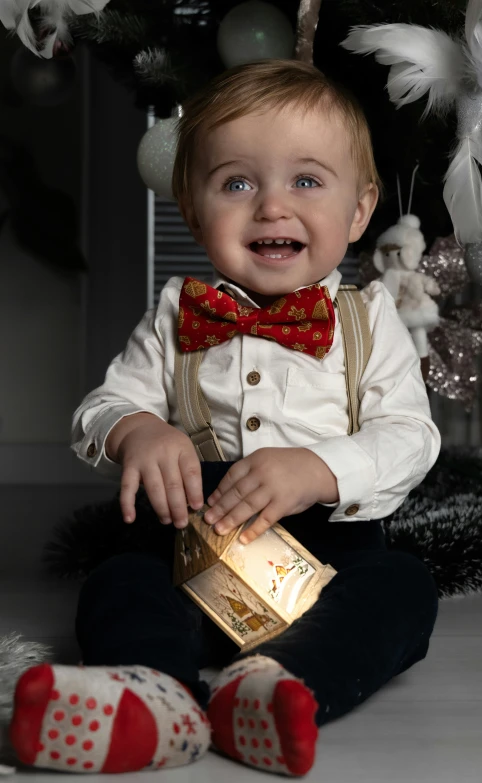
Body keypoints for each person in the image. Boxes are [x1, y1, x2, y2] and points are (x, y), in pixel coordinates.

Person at [9, 59, 441, 777]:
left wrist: (321, 468)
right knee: (117, 582)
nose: (272, 206)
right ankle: (158, 695)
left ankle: (277, 683)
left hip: (328, 566)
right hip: (185, 556)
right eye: (238, 183)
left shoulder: (370, 320)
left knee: (404, 590)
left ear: (360, 210)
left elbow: (411, 436)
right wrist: (138, 430)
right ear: (191, 207)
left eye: (306, 180)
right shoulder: (180, 314)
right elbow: (102, 407)